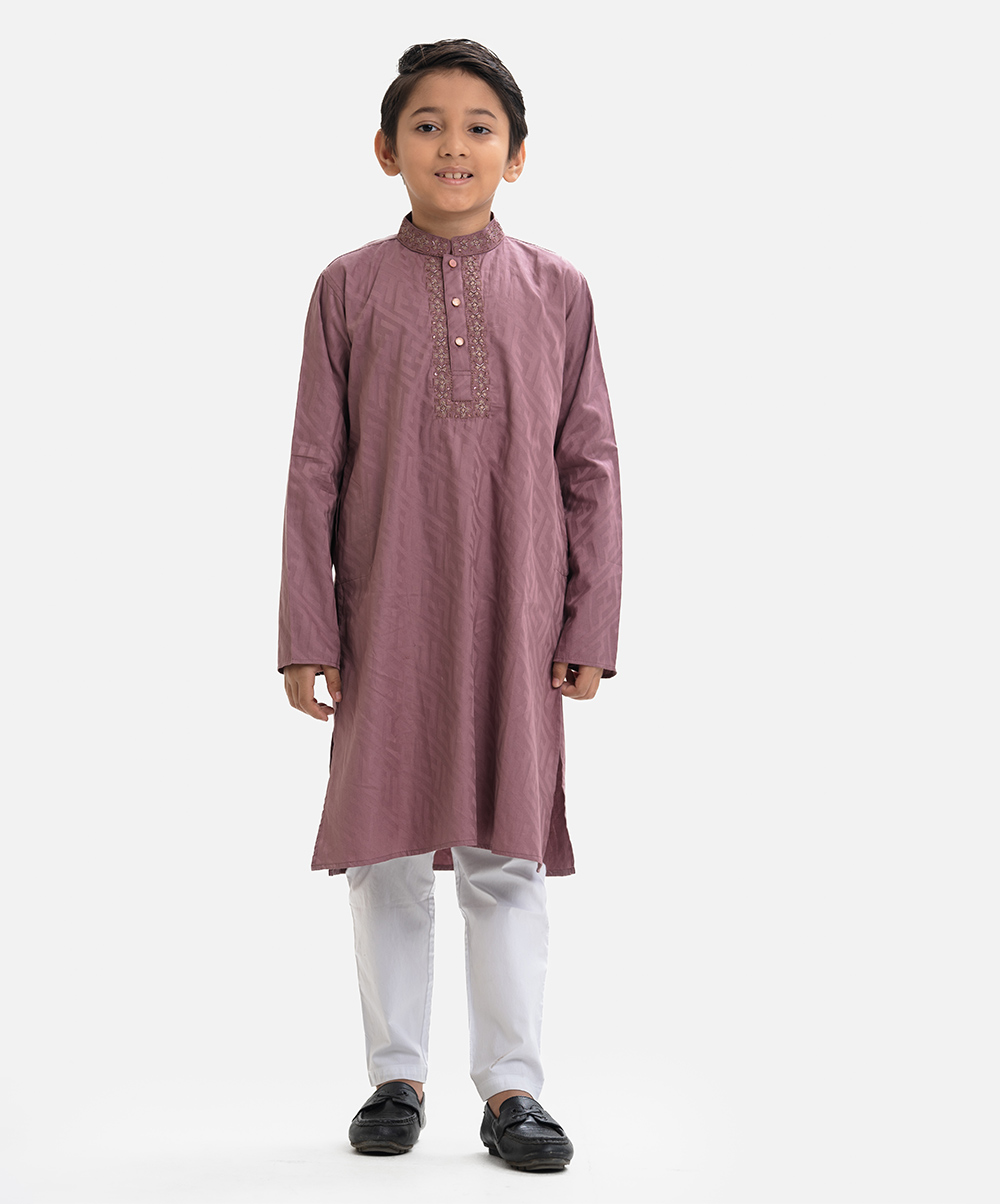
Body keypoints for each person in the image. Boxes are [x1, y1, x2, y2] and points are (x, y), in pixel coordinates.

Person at [276, 38, 623, 1173]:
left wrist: (590, 619)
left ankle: (513, 1088)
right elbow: (313, 468)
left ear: (516, 156)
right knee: (383, 851)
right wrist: (307, 628)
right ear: (387, 150)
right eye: (427, 125)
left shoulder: (558, 291)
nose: (453, 145)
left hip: (518, 614)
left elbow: (591, 463)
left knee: (504, 851)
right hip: (386, 613)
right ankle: (395, 1076)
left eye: (480, 127)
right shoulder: (346, 287)